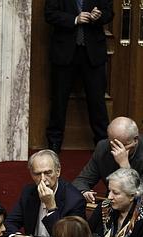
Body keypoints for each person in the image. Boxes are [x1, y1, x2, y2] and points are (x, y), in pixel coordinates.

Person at [44, 0, 113, 154]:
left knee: (97, 102)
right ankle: (54, 144)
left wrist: (99, 16)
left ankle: (102, 145)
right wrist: (75, 19)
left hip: (93, 53)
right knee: (59, 101)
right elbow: (49, 14)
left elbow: (109, 13)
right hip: (64, 52)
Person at [5, 149, 86, 237]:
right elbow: (9, 223)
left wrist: (51, 207)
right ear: (31, 174)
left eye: (48, 173)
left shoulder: (75, 200)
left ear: (58, 171)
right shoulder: (29, 192)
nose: (43, 179)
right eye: (37, 174)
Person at [73, 117, 143, 204]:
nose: (117, 150)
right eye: (113, 144)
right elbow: (81, 181)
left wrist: (125, 167)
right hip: (112, 204)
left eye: (122, 145)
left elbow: (139, 195)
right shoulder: (103, 147)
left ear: (135, 140)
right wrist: (84, 192)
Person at [88, 168, 143, 237]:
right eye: (109, 191)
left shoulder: (142, 216)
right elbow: (87, 236)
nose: (109, 197)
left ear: (132, 196)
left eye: (115, 193)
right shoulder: (104, 207)